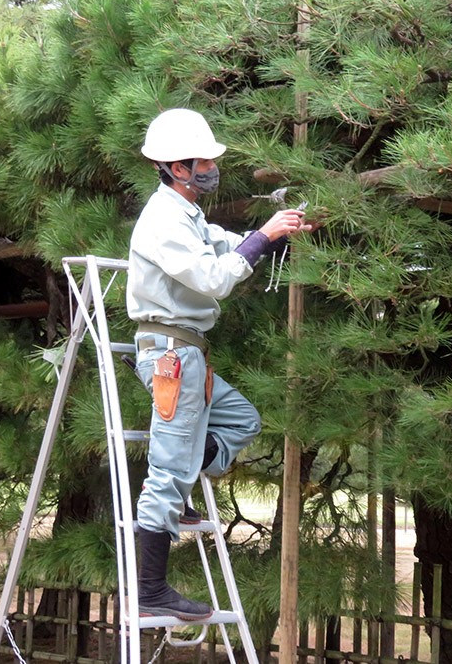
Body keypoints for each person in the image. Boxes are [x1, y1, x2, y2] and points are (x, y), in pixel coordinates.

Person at [127, 107, 310, 621]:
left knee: (241, 419)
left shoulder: (186, 215)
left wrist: (274, 235)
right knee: (165, 474)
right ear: (177, 168)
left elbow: (225, 245)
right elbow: (214, 278)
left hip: (186, 354)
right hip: (172, 355)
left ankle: (184, 478)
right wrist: (262, 237)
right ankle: (150, 590)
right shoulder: (163, 219)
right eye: (202, 159)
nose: (211, 165)